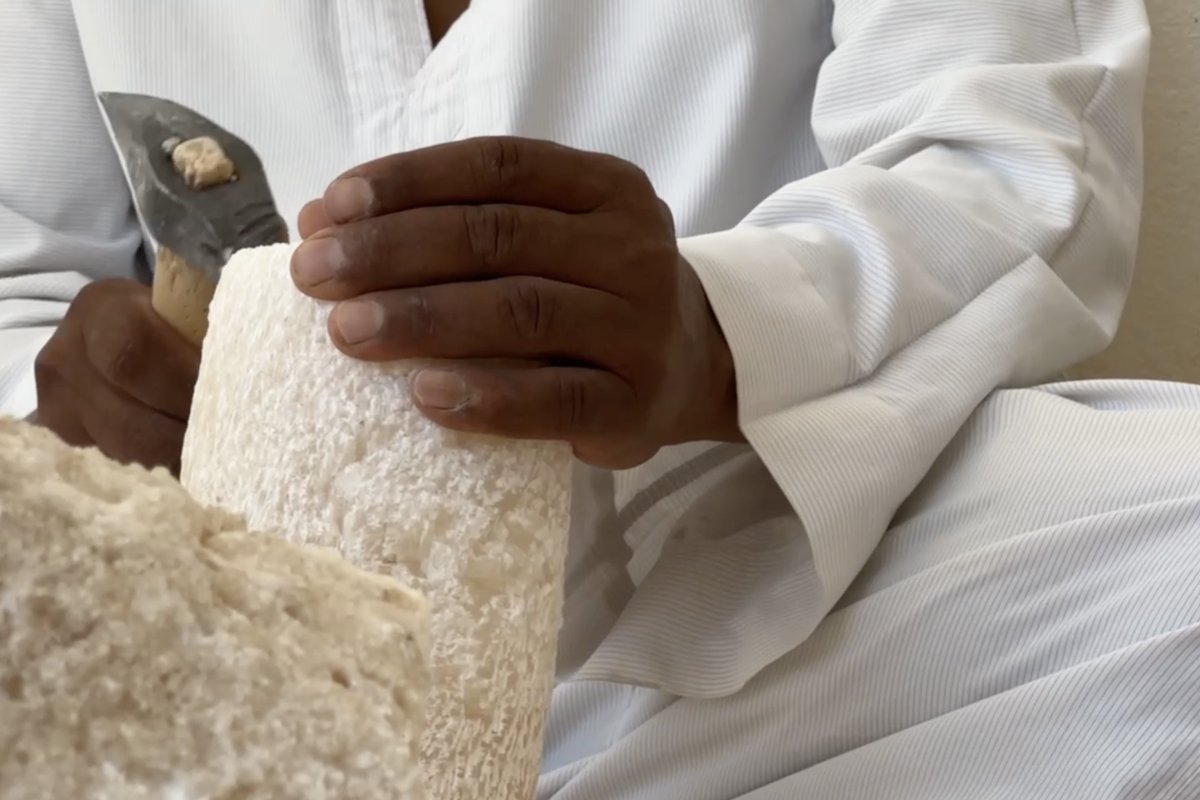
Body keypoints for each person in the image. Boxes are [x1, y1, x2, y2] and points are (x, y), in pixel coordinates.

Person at [5, 1, 1198, 797]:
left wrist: (714, 327)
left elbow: (1017, 155)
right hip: (235, 637)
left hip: (775, 600)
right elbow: (23, 265)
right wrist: (68, 426)